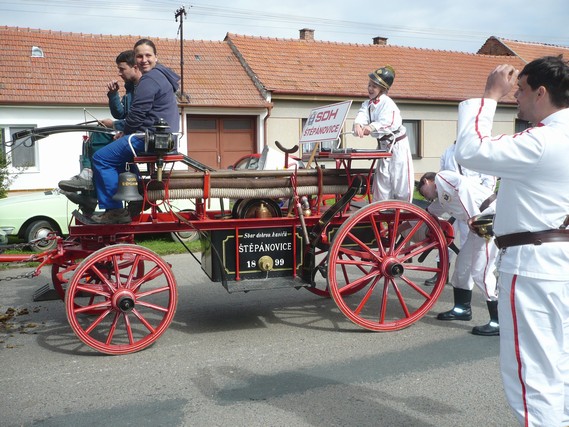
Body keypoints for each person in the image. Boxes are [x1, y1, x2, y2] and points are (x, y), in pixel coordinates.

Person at [454, 56, 569, 426]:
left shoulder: (542, 140)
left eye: (519, 91)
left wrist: (488, 96)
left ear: (541, 92)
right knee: (562, 370)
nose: (514, 97)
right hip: (560, 259)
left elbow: (471, 152)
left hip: (534, 268)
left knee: (533, 379)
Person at [89, 38, 180, 224]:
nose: (144, 60)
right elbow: (133, 114)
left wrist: (125, 132)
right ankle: (135, 196)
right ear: (136, 59)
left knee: (101, 158)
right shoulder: (160, 76)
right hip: (160, 138)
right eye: (140, 56)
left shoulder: (149, 79)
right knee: (118, 156)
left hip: (149, 139)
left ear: (156, 57)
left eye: (148, 55)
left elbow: (137, 114)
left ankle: (114, 211)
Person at [417, 170, 499, 336]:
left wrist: (472, 216)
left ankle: (498, 321)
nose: (426, 197)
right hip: (476, 225)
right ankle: (462, 309)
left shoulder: (442, 177)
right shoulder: (441, 197)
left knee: (481, 271)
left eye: (423, 193)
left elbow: (462, 188)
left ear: (426, 181)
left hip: (488, 218)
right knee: (462, 267)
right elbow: (428, 213)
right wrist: (402, 228)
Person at [59, 50, 142, 213]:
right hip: (133, 134)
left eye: (121, 69)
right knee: (96, 134)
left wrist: (116, 126)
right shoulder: (132, 89)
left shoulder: (142, 89)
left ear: (134, 67)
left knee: (102, 154)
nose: (119, 73)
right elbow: (121, 113)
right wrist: (113, 95)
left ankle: (94, 190)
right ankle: (88, 180)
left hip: (140, 137)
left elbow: (138, 120)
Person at [424, 141, 497, 286]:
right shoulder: (448, 152)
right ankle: (441, 274)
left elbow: (489, 177)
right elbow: (442, 178)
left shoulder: (479, 150)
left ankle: (481, 279)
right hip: (453, 200)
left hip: (475, 205)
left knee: (470, 246)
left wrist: (477, 203)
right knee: (445, 238)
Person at [353, 66, 414, 202]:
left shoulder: (388, 104)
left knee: (400, 180)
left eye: (374, 86)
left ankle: (404, 213)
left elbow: (390, 123)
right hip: (383, 146)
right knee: (382, 179)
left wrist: (371, 127)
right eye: (369, 85)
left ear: (382, 89)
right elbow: (361, 115)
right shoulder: (367, 104)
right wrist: (358, 125)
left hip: (397, 145)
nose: (370, 89)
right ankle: (382, 208)